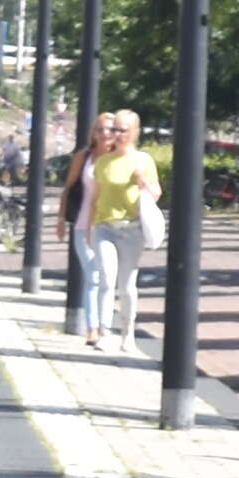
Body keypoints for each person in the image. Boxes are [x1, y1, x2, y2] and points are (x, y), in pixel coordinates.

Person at [73, 110, 166, 347]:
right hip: (104, 226)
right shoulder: (103, 161)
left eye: (122, 130)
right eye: (115, 130)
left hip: (131, 229)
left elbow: (156, 194)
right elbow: (94, 197)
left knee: (126, 285)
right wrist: (90, 229)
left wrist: (142, 181)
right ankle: (104, 332)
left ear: (134, 132)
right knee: (106, 278)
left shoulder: (143, 160)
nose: (117, 134)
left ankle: (128, 332)